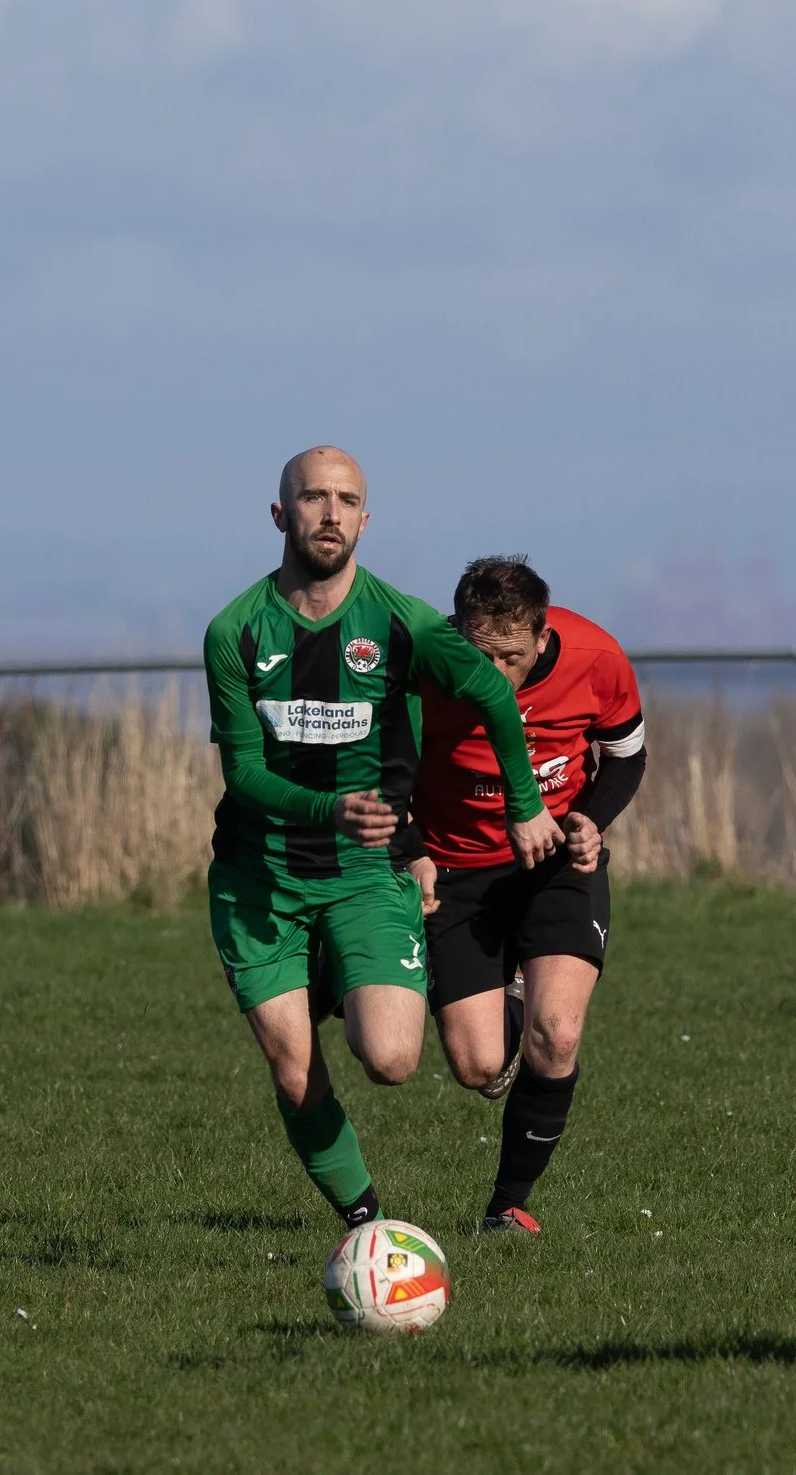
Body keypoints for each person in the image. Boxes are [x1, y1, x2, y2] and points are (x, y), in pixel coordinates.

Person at [202, 447, 561, 1230]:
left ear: (366, 519)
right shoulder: (234, 629)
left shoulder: (402, 622)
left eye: (346, 499)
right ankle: (367, 1225)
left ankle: (332, 961)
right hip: (257, 876)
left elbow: (495, 696)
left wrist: (524, 805)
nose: (330, 512)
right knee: (294, 1067)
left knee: (394, 1061)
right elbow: (246, 775)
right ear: (280, 514)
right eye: (312, 498)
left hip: (364, 872)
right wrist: (330, 809)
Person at [407, 556, 645, 1235]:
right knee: (479, 1064)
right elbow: (384, 766)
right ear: (456, 631)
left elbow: (627, 757)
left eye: (511, 657)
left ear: (543, 638)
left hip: (556, 862)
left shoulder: (597, 657)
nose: (494, 676)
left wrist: (591, 821)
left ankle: (507, 1207)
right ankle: (505, 994)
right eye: (480, 655)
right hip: (455, 873)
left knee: (558, 1033)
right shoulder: (421, 668)